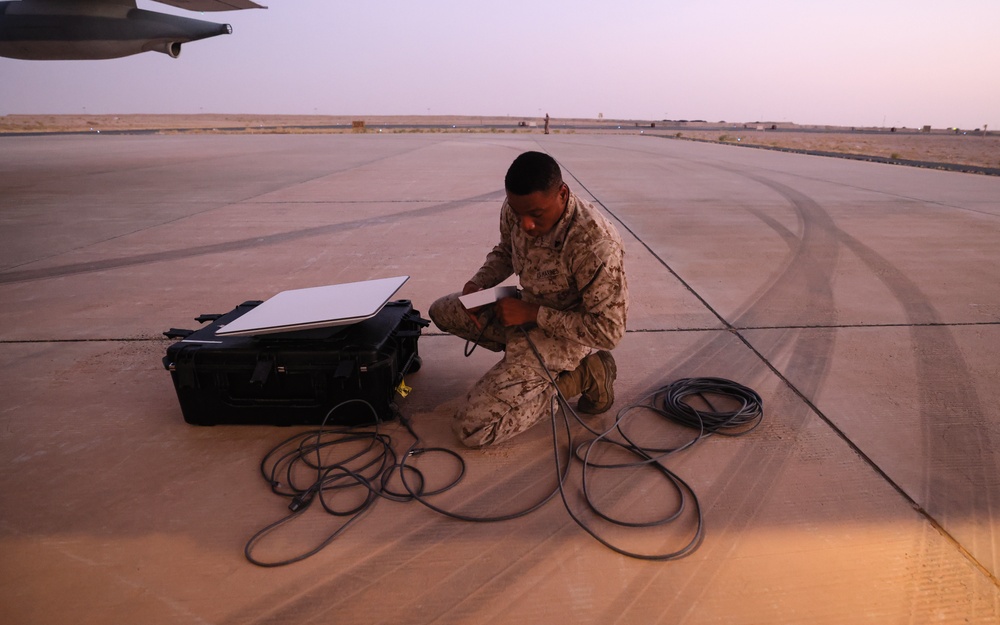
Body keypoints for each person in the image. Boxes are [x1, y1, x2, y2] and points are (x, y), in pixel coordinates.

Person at [429, 151, 629, 447]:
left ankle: (584, 373)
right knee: (444, 311)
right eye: (517, 212)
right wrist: (478, 284)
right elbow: (507, 250)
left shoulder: (595, 244)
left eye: (536, 215)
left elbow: (609, 331)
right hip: (523, 308)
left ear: (562, 194)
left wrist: (533, 314)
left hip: (564, 333)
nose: (526, 225)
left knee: (472, 429)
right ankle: (523, 365)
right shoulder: (520, 207)